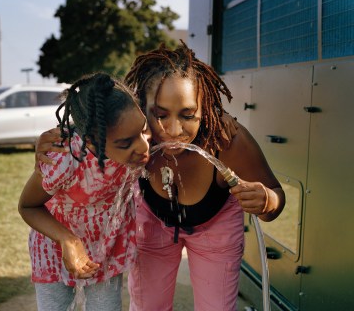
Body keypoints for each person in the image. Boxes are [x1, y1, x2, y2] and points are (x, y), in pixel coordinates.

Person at [35, 41, 285, 311]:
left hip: (216, 230)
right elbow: (94, 130)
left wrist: (267, 200)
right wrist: (48, 143)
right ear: (140, 105)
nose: (174, 130)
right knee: (148, 306)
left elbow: (274, 201)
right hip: (152, 223)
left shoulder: (225, 140)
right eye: (160, 114)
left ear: (205, 110)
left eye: (188, 115)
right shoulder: (134, 136)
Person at [18, 72, 151, 311]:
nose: (143, 146)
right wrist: (68, 240)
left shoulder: (138, 152)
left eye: (144, 130)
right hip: (55, 251)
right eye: (126, 142)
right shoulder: (64, 159)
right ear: (91, 141)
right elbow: (27, 206)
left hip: (104, 250)